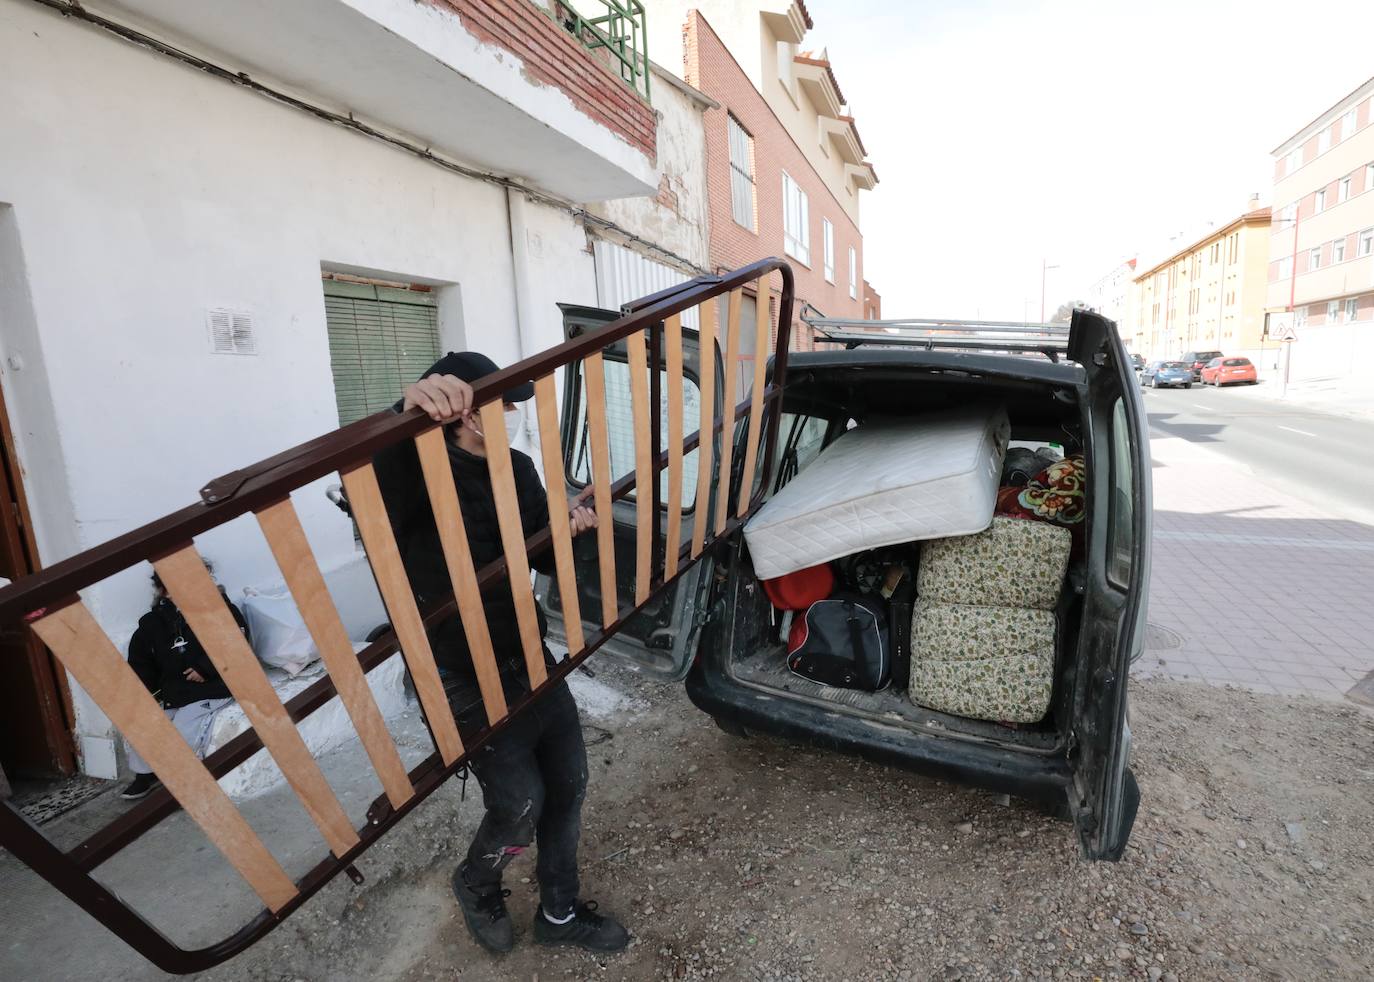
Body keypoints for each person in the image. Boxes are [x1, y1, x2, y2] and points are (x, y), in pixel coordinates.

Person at [372, 351, 628, 955]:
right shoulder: (414, 470)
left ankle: (559, 915)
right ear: (465, 413)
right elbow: (375, 468)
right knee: (520, 805)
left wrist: (568, 526)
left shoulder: (514, 466)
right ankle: (476, 882)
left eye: (514, 406)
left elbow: (539, 552)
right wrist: (404, 407)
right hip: (462, 669)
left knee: (568, 784)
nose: (512, 416)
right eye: (503, 406)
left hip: (526, 651)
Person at [121, 562, 248, 800]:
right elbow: (141, 661)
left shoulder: (219, 609)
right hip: (173, 689)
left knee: (183, 729)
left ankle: (186, 782)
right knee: (146, 723)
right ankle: (146, 773)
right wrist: (146, 694)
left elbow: (236, 643)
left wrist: (205, 667)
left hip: (211, 686)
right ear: (163, 590)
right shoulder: (152, 622)